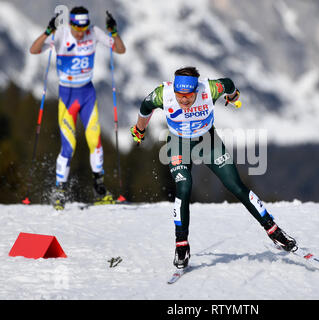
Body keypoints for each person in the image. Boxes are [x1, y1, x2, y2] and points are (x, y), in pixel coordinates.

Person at [130, 66, 297, 269]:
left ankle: (274, 231)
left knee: (236, 186)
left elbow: (228, 83)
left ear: (196, 90)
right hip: (178, 144)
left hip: (208, 142)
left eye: (188, 96)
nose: (183, 100)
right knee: (184, 187)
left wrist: (234, 96)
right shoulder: (162, 93)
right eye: (179, 95)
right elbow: (144, 108)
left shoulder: (209, 89)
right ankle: (181, 245)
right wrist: (139, 129)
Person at [29, 7, 126, 210]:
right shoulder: (60, 35)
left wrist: (114, 32)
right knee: (68, 146)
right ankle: (60, 191)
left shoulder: (94, 32)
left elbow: (119, 49)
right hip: (68, 97)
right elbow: (34, 49)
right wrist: (47, 32)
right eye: (76, 27)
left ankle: (99, 189)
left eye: (84, 27)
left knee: (95, 141)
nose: (80, 32)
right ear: (70, 24)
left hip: (88, 94)